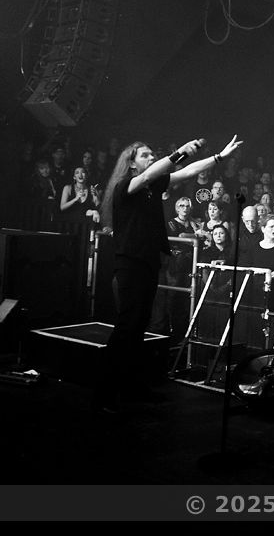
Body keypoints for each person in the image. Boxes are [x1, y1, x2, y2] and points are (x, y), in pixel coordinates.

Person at [96, 135, 243, 411]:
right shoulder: (125, 186)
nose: (151, 157)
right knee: (127, 326)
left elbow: (187, 172)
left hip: (149, 262)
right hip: (130, 264)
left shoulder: (153, 186)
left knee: (139, 327)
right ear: (131, 163)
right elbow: (152, 173)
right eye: (145, 155)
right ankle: (105, 392)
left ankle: (132, 386)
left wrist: (219, 157)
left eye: (153, 154)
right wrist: (179, 152)